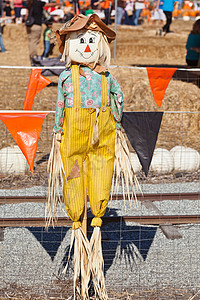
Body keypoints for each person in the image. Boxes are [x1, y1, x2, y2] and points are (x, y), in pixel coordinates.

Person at [25, 0, 57, 65]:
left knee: (31, 42)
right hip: (36, 25)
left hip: (29, 25)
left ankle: (31, 57)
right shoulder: (39, 3)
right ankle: (34, 58)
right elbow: (49, 5)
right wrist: (58, 4)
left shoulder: (29, 3)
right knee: (34, 42)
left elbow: (27, 14)